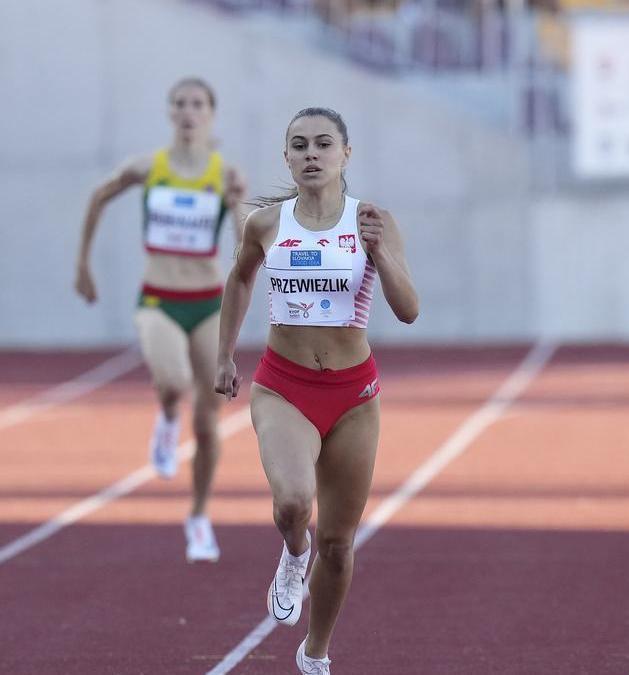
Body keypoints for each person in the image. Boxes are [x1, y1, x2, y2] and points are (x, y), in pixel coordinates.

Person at [214, 107, 418, 674]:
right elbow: (239, 278)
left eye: (323, 144)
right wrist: (225, 354)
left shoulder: (372, 221)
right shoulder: (266, 223)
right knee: (293, 503)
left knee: (339, 543)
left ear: (344, 155)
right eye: (299, 145)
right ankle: (291, 553)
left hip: (354, 396)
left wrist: (380, 255)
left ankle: (316, 652)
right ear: (286, 157)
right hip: (284, 387)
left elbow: (408, 310)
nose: (310, 154)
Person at [74, 77, 249, 563]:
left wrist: (237, 205)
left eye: (198, 104)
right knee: (172, 382)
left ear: (211, 113)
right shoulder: (149, 167)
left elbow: (245, 247)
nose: (189, 112)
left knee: (211, 424)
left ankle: (198, 517)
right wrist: (83, 264)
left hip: (209, 302)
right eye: (180, 104)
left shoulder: (225, 173)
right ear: (169, 112)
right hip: (158, 299)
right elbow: (98, 195)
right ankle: (168, 418)